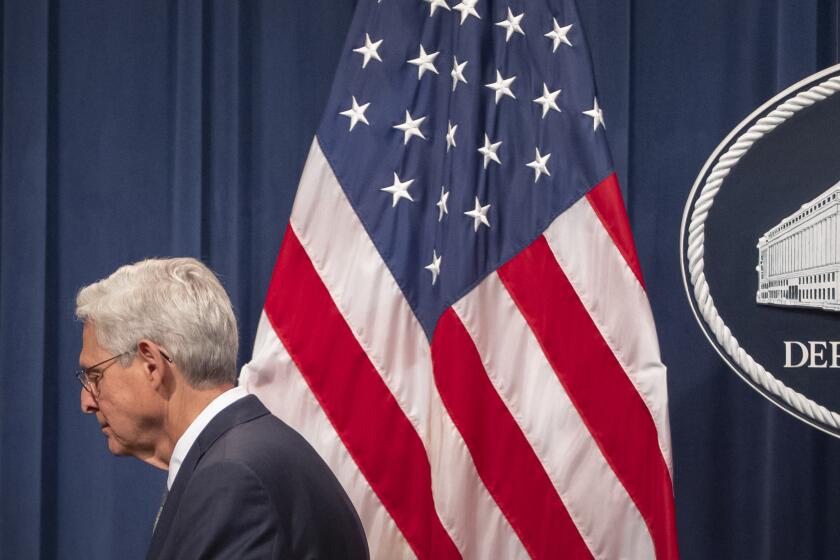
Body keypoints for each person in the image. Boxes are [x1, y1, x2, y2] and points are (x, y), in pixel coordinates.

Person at [76, 257, 369, 559]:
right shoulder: (254, 451)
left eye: (96, 376)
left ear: (151, 364)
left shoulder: (232, 477)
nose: (87, 402)